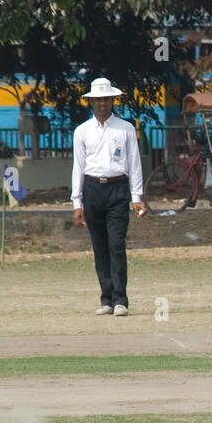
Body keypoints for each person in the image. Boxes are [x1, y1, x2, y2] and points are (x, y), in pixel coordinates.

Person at [71, 77, 146, 316]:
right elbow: (78, 167)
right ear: (91, 102)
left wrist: (137, 197)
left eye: (106, 99)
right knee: (100, 247)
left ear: (113, 100)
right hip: (93, 189)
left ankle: (120, 299)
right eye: (98, 100)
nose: (102, 104)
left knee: (116, 245)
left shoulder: (125, 128)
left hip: (118, 189)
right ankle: (106, 299)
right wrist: (77, 202)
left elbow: (134, 164)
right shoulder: (82, 131)